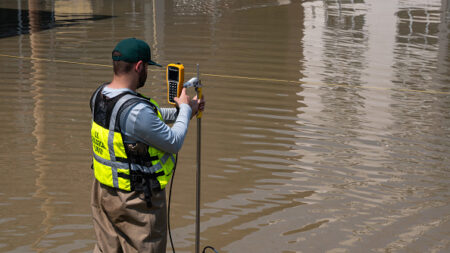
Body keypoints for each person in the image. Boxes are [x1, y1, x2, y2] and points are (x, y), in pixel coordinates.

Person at [89, 38, 204, 252]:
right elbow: (173, 141)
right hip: (136, 200)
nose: (146, 73)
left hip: (104, 192)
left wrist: (185, 111)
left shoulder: (100, 95)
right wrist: (186, 110)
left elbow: (149, 118)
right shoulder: (137, 111)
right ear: (139, 66)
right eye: (147, 68)